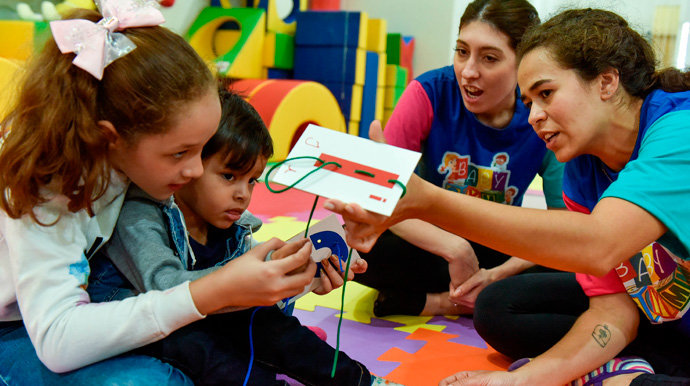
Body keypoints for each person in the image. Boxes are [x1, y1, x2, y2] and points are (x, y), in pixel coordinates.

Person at [326, 7, 690, 386]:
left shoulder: (679, 130)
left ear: (606, 81)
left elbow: (597, 244)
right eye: (529, 100)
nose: (533, 116)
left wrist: (427, 200)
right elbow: (612, 314)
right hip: (664, 315)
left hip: (662, 311)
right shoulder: (583, 168)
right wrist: (514, 382)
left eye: (546, 94)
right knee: (498, 308)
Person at [0, 4, 316, 385]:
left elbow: (202, 268)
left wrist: (288, 272)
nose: (196, 170)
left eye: (202, 149)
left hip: (91, 296)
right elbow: (57, 338)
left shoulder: (134, 161)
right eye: (180, 153)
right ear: (109, 137)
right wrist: (213, 292)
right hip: (20, 327)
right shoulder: (44, 186)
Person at [87, 88, 397, 386]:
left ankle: (360, 380)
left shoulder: (228, 224)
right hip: (148, 324)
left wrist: (301, 268)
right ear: (189, 162)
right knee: (202, 349)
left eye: (252, 181)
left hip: (207, 315)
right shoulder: (140, 213)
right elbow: (165, 291)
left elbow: (248, 283)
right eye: (229, 176)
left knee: (273, 326)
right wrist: (247, 281)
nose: (242, 194)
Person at [355, 0, 565, 318]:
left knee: (576, 269)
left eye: (489, 58)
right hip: (431, 242)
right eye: (462, 51)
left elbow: (566, 223)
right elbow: (380, 198)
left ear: (524, 64)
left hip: (499, 244)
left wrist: (498, 275)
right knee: (354, 246)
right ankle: (454, 302)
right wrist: (455, 249)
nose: (468, 71)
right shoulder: (428, 92)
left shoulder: (542, 114)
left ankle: (429, 301)